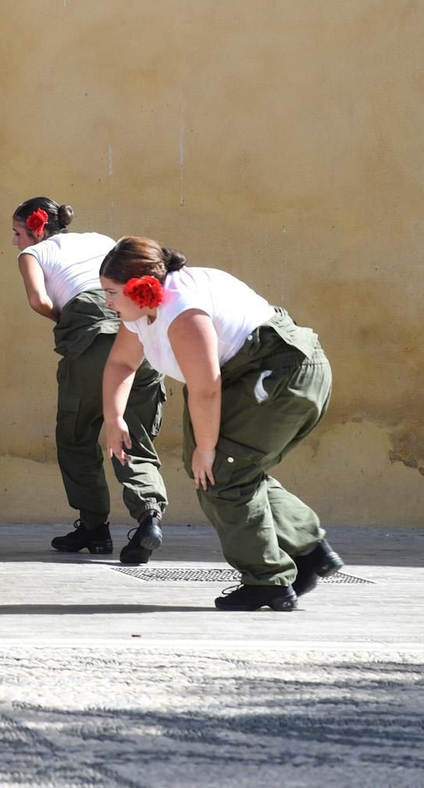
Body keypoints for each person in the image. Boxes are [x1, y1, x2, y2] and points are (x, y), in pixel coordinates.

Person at [99, 237, 343, 611]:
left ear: (141, 287)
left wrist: (208, 447)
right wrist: (115, 418)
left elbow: (207, 389)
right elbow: (121, 364)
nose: (107, 302)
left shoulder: (181, 311)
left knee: (222, 472)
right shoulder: (141, 311)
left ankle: (268, 582)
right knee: (223, 471)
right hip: (253, 376)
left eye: (112, 292)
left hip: (280, 373)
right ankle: (309, 549)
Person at [11, 198, 168, 564]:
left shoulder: (33, 255)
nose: (15, 242)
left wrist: (68, 320)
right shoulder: (99, 239)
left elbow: (38, 300)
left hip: (92, 340)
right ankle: (149, 517)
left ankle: (95, 527)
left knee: (77, 435)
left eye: (18, 233)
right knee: (135, 437)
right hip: (139, 336)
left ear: (36, 228)